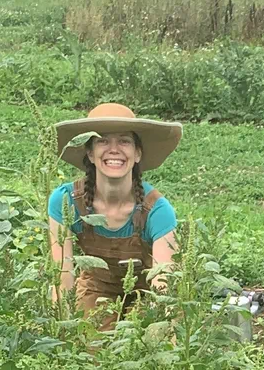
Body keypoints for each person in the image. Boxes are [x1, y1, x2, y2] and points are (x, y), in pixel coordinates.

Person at [48, 101, 182, 318]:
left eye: (124, 141)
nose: (114, 149)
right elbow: (61, 278)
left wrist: (161, 327)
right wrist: (60, 331)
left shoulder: (157, 210)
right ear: (90, 154)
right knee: (89, 343)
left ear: (137, 153)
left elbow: (163, 288)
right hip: (97, 288)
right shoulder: (66, 202)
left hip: (147, 292)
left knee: (149, 339)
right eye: (102, 141)